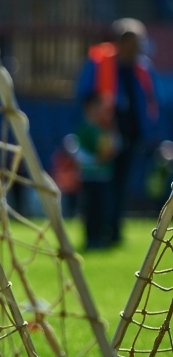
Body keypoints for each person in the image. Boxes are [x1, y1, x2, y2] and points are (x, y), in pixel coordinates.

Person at [77, 18, 159, 245]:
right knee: (97, 185)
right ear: (119, 42)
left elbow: (149, 102)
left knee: (122, 185)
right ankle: (96, 234)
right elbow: (84, 96)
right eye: (132, 43)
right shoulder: (99, 62)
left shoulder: (142, 68)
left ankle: (114, 232)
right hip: (102, 136)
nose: (136, 48)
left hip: (131, 136)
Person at [75, 93, 119, 250]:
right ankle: (91, 239)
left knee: (102, 209)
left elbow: (110, 150)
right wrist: (94, 160)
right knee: (90, 209)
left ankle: (101, 238)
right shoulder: (85, 128)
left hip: (103, 175)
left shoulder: (104, 128)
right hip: (90, 175)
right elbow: (78, 151)